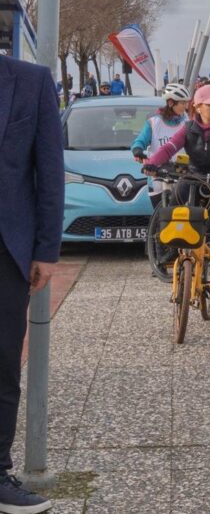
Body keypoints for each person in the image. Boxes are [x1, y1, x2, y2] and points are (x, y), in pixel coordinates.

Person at [0, 55, 63, 514]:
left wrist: (45, 249)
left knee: (3, 363)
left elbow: (49, 172)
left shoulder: (31, 81)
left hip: (7, 247)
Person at [145, 85, 210, 315]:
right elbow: (169, 147)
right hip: (193, 179)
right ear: (198, 107)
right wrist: (152, 163)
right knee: (174, 209)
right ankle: (170, 251)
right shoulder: (188, 128)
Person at [131, 83, 191, 208]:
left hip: (182, 173)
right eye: (183, 103)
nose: (186, 106)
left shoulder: (188, 122)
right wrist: (137, 151)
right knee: (162, 218)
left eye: (187, 102)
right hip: (158, 174)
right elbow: (140, 141)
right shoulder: (154, 122)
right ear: (170, 103)